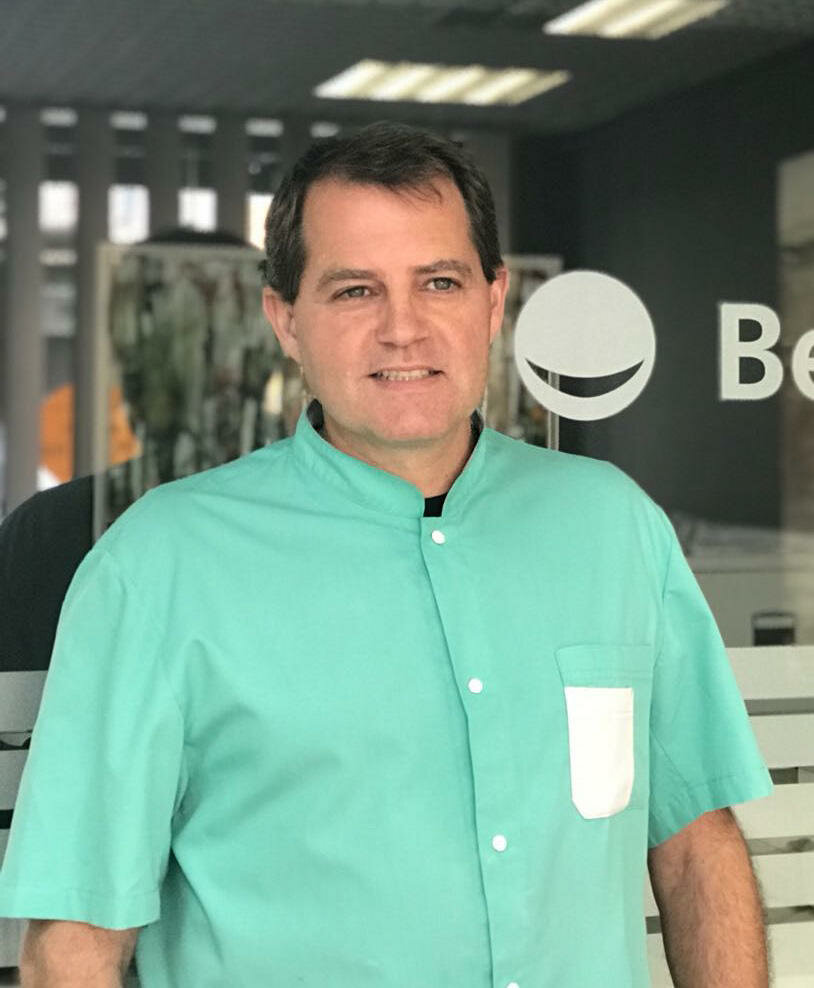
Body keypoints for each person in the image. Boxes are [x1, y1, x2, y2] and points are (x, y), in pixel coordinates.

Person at [0, 122, 772, 987]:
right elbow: (75, 941)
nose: (403, 329)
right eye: (355, 290)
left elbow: (698, 845)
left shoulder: (614, 528)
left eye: (439, 282)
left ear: (493, 301)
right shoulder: (156, 566)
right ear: (286, 320)